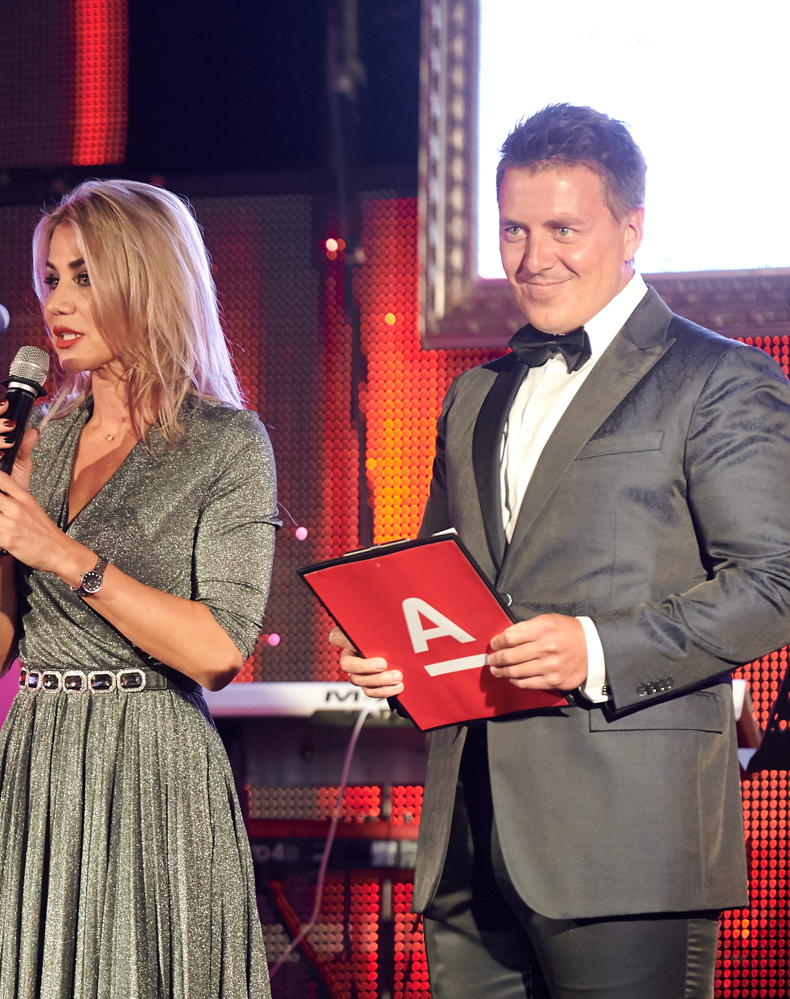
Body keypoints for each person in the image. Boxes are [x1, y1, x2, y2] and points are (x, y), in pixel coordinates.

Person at [335, 103, 790, 998]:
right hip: (467, 841)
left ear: (632, 230)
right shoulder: (473, 394)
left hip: (628, 842)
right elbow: (442, 582)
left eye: (563, 230)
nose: (533, 256)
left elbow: (774, 583)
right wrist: (395, 654)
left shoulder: (719, 377)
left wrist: (595, 649)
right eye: (514, 229)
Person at [0, 179, 278, 998]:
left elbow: (217, 651)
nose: (57, 302)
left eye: (85, 277)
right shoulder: (42, 438)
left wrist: (63, 554)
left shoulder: (226, 443)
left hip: (153, 765)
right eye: (51, 278)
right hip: (41, 759)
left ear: (149, 281)